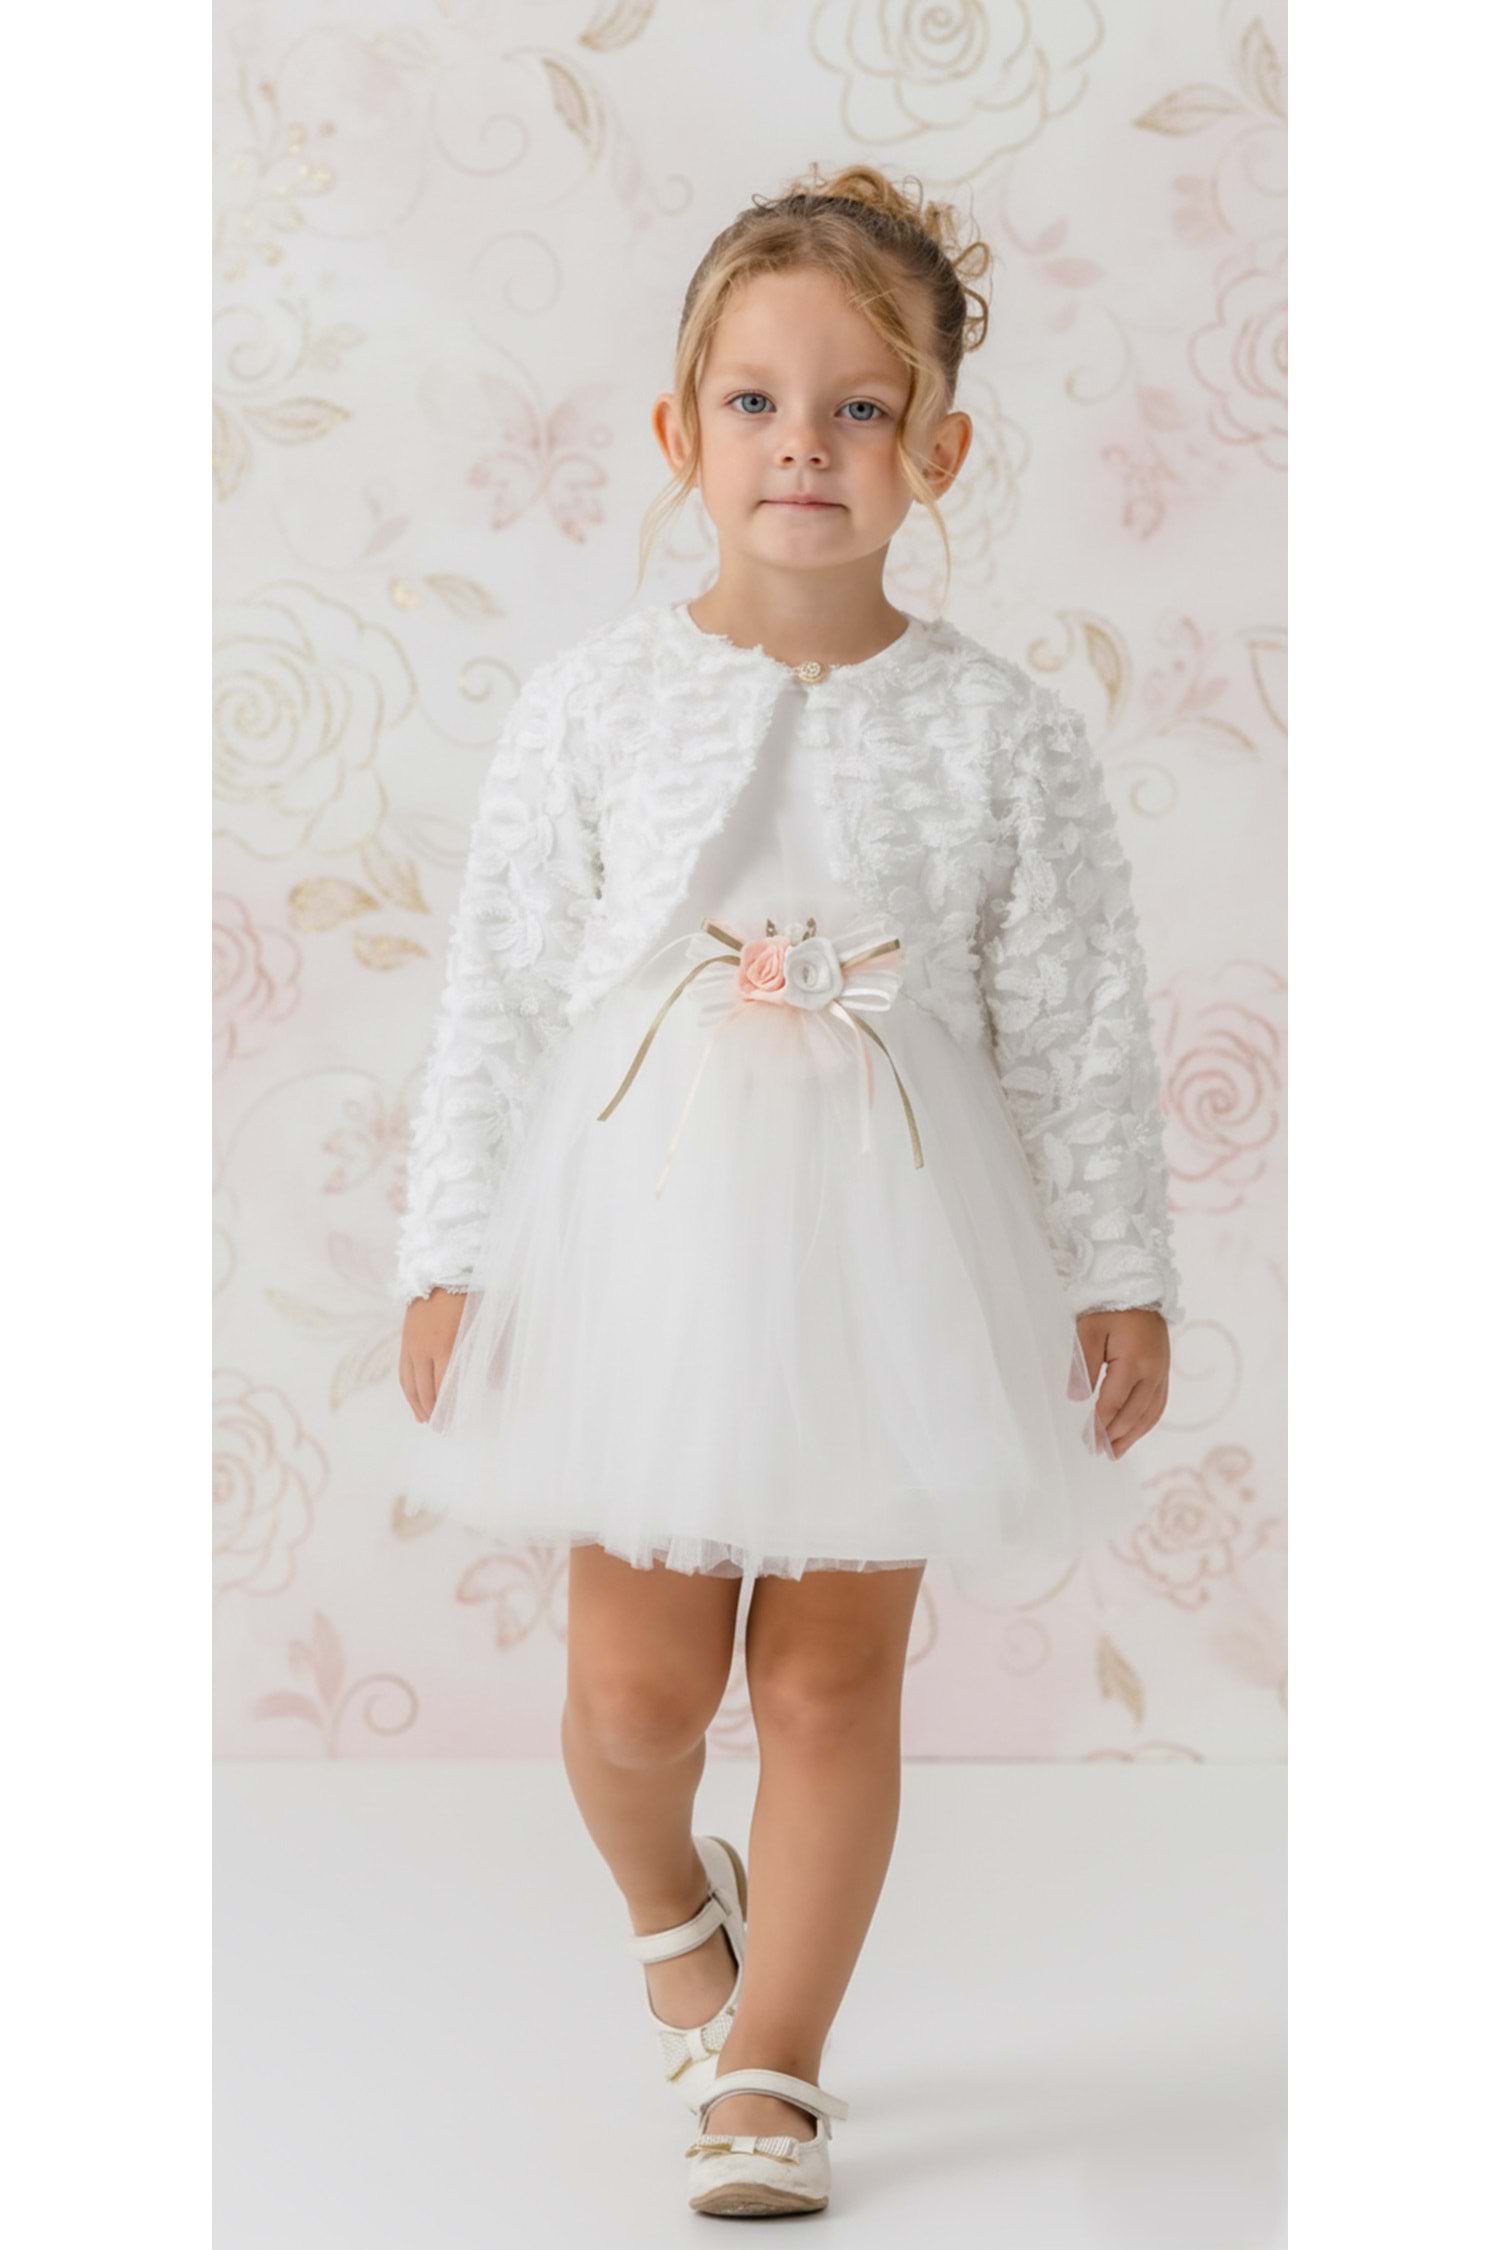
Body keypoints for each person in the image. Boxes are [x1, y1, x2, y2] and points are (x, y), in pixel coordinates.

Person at [393, 162, 1184, 2219]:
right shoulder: (592, 704)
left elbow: (1077, 1023)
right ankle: (679, 1912)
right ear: (681, 432)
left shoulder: (1002, 734)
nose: (803, 446)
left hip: (895, 1252)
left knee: (830, 1680)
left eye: (858, 407)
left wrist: (1114, 1268)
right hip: (644, 1246)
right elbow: (500, 993)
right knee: (633, 1693)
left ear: (939, 449)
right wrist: (455, 1251)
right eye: (755, 402)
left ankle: (774, 2062)